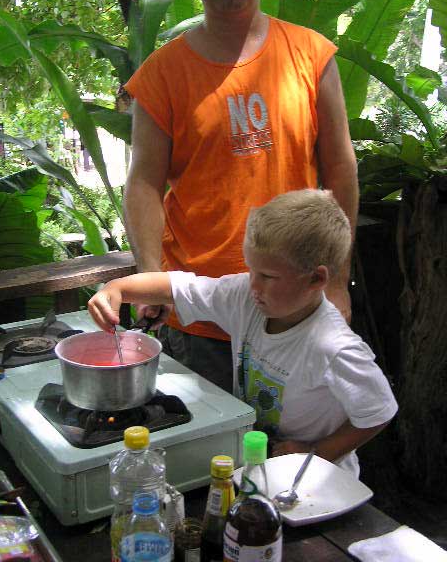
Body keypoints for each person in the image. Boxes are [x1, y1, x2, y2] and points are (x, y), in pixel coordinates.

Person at [122, 0, 359, 392]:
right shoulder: (162, 74)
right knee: (214, 439)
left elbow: (341, 169)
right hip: (201, 313)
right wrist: (151, 275)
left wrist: (336, 281)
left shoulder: (311, 55)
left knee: (292, 437)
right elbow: (143, 182)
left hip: (296, 307)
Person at [89, 190, 397, 477]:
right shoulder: (246, 298)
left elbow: (379, 410)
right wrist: (117, 289)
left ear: (316, 279)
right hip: (260, 462)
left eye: (268, 276)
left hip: (314, 481)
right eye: (251, 270)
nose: (253, 285)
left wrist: (316, 453)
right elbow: (178, 286)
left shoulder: (334, 347)